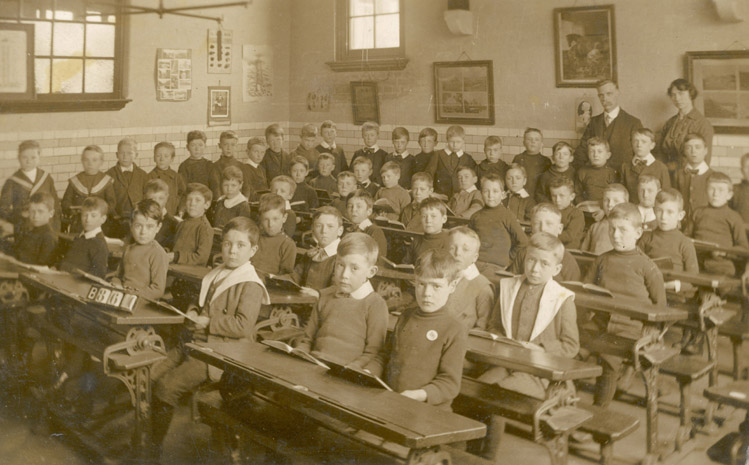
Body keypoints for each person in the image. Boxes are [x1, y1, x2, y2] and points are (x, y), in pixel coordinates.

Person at [149, 217, 269, 462]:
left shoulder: (251, 283)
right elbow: (201, 300)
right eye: (227, 244)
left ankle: (152, 453)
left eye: (240, 245)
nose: (232, 250)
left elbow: (243, 325)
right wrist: (194, 310)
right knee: (150, 375)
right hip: (194, 343)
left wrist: (209, 322)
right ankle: (148, 441)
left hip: (221, 354)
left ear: (253, 250)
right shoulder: (217, 273)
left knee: (166, 386)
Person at [583, 203, 666, 406]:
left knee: (608, 360)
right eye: (612, 229)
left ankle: (598, 416)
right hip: (601, 323)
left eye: (623, 230)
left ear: (638, 232)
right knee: (570, 348)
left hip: (631, 329)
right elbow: (585, 290)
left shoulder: (647, 266)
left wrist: (650, 333)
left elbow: (661, 307)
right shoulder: (602, 260)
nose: (616, 235)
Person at [368, 249, 466, 410]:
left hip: (427, 410)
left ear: (452, 285)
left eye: (436, 286)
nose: (427, 293)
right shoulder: (406, 315)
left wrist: (420, 394)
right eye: (421, 284)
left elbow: (449, 383)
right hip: (394, 401)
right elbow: (386, 355)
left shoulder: (454, 328)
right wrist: (368, 371)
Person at [295, 232, 389, 369]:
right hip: (313, 364)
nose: (344, 275)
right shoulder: (326, 296)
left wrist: (350, 370)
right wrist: (301, 353)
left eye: (354, 268)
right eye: (340, 265)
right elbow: (307, 340)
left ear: (371, 272)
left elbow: (373, 353)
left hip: (346, 373)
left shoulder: (375, 304)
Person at [573, 79, 643, 175]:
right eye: (601, 95)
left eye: (609, 94)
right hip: (596, 177)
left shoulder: (633, 123)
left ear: (618, 93)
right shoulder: (593, 122)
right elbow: (582, 150)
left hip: (622, 180)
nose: (605, 99)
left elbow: (640, 156)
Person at [686, 172, 748, 276]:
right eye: (711, 189)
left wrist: (724, 252)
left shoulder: (734, 217)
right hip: (696, 261)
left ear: (729, 195)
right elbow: (686, 237)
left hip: (721, 265)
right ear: (706, 191)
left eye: (720, 190)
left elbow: (744, 249)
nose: (715, 194)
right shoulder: (697, 212)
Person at [638, 189, 698, 293]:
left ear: (680, 215)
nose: (663, 217)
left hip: (674, 293)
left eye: (670, 212)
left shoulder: (685, 243)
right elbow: (636, 265)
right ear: (654, 211)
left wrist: (674, 285)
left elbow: (694, 279)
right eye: (659, 210)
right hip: (647, 291)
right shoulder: (646, 238)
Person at [468, 173, 528, 276]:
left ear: (503, 194)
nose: (490, 195)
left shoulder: (507, 215)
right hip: (475, 264)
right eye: (486, 191)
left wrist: (508, 260)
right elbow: (469, 242)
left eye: (495, 191)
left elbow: (523, 241)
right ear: (481, 193)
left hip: (497, 266)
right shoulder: (475, 217)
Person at [657, 78, 714, 181]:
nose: (677, 98)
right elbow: (660, 151)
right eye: (673, 95)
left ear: (690, 94)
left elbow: (705, 160)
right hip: (666, 174)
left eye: (681, 94)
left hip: (687, 176)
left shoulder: (702, 123)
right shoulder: (670, 122)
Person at [0, 140, 60, 234]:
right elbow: (3, 208)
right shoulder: (12, 182)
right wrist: (20, 214)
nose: (29, 161)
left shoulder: (46, 178)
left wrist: (55, 229)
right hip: (23, 227)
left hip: (46, 226)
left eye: (33, 157)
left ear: (39, 157)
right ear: (18, 158)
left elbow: (55, 204)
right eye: (24, 157)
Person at [509, 204, 581, 282]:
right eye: (537, 223)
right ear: (531, 227)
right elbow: (511, 281)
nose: (543, 228)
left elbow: (573, 290)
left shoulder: (568, 261)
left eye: (549, 224)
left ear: (559, 229)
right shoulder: (523, 253)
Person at [113, 199, 168, 300]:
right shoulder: (129, 249)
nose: (143, 232)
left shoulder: (157, 253)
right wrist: (116, 284)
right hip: (123, 298)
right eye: (138, 226)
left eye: (150, 227)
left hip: (143, 304)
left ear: (158, 227)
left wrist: (131, 294)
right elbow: (118, 276)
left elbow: (158, 290)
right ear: (131, 225)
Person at [446, 227, 494, 330]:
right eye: (452, 248)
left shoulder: (482, 287)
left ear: (475, 257)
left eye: (465, 249)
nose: (458, 253)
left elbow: (483, 327)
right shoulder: (439, 276)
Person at [61, 145, 116, 233]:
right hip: (78, 224)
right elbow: (65, 202)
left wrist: (100, 212)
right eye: (86, 160)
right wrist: (72, 209)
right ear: (82, 161)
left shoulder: (106, 181)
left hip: (100, 225)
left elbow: (112, 203)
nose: (90, 163)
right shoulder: (75, 180)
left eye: (94, 160)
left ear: (101, 162)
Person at [293, 206, 344, 293]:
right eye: (319, 226)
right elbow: (295, 277)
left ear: (340, 230)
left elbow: (338, 287)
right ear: (312, 229)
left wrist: (319, 294)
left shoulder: (342, 257)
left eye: (330, 226)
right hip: (303, 301)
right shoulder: (310, 254)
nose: (324, 231)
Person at [58, 196, 110, 278]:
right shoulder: (80, 237)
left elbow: (98, 275)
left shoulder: (99, 244)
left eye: (93, 216)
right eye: (85, 215)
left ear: (103, 219)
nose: (88, 220)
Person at [107, 138, 147, 238]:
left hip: (137, 221)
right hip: (115, 221)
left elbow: (146, 197)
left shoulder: (143, 175)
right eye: (121, 153)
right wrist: (114, 215)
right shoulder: (108, 175)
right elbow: (106, 200)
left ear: (136, 155)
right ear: (116, 154)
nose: (125, 156)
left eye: (129, 153)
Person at [252, 193, 297, 278]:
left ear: (284, 218)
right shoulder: (254, 237)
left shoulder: (288, 244)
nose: (270, 224)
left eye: (275, 219)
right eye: (266, 219)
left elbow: (285, 275)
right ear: (260, 218)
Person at [621, 128, 671, 203]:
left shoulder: (661, 167)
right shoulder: (625, 166)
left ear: (652, 145)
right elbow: (622, 193)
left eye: (643, 142)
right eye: (635, 141)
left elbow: (666, 194)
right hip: (631, 210)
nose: (639, 145)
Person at [426, 125, 476, 199]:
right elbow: (428, 176)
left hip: (461, 199)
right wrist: (432, 194)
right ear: (447, 140)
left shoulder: (468, 158)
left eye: (458, 142)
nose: (455, 145)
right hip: (440, 197)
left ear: (463, 142)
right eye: (452, 142)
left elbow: (473, 180)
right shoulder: (438, 155)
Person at [169, 183, 213, 267]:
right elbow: (174, 247)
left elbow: (201, 258)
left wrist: (176, 256)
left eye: (197, 200)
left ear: (206, 205)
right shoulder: (181, 224)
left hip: (189, 275)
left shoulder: (205, 228)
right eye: (189, 199)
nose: (192, 203)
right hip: (174, 268)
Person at [581, 183, 629, 255]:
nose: (610, 204)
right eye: (606, 200)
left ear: (626, 204)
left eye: (616, 201)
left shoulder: (630, 228)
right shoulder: (595, 227)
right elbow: (583, 253)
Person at [675, 133, 714, 220]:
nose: (693, 151)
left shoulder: (713, 176)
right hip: (683, 223)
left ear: (706, 150)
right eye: (689, 148)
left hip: (705, 222)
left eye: (698, 147)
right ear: (684, 151)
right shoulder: (678, 174)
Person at [13, 193, 58, 266]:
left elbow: (43, 267)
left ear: (51, 213)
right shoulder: (30, 231)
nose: (35, 216)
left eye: (40, 211)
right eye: (32, 211)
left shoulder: (49, 238)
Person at [178, 130, 220, 200]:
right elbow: (183, 190)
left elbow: (215, 188)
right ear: (187, 147)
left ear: (205, 146)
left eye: (200, 145)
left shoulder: (210, 165)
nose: (197, 149)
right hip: (191, 202)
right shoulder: (184, 166)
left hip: (207, 203)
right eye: (193, 145)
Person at [147, 141, 186, 217]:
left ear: (172, 159)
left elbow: (184, 195)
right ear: (154, 158)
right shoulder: (149, 177)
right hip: (154, 216)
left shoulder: (177, 177)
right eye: (158, 155)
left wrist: (181, 209)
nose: (162, 159)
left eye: (166, 156)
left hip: (173, 214)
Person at [347, 190, 387, 260]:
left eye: (359, 206)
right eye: (350, 206)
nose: (353, 210)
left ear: (369, 211)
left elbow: (378, 260)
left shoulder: (375, 232)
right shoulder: (348, 229)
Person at [575, 137, 618, 203]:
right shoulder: (582, 172)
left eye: (599, 151)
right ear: (588, 154)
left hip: (606, 208)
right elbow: (578, 194)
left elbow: (615, 196)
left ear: (608, 155)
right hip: (587, 207)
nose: (595, 155)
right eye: (592, 151)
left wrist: (603, 209)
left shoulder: (612, 173)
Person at [407, 198, 450, 263]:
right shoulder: (416, 241)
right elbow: (405, 264)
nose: (428, 220)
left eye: (433, 216)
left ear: (444, 219)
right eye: (424, 216)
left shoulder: (449, 241)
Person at [512, 128, 551, 198]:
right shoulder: (518, 158)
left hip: (539, 197)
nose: (533, 142)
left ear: (542, 144)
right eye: (529, 139)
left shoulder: (546, 161)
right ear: (523, 142)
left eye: (536, 139)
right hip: (522, 196)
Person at [549, 177, 584, 250]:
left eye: (562, 196)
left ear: (572, 196)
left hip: (568, 250)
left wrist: (547, 235)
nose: (557, 200)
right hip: (550, 246)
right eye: (554, 196)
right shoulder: (549, 211)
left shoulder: (577, 214)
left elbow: (569, 235)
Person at [143, 179, 178, 251]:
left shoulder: (173, 224)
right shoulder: (140, 219)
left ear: (167, 198)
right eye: (152, 199)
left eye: (161, 198)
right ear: (145, 198)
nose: (157, 203)